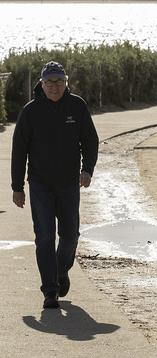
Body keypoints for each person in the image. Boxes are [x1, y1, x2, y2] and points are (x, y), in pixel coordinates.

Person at [11, 61, 99, 309]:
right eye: (49, 82)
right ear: (42, 83)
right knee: (45, 237)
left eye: (59, 82)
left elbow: (90, 141)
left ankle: (61, 271)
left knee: (70, 236)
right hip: (39, 185)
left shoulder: (77, 106)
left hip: (69, 184)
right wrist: (17, 186)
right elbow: (19, 151)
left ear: (66, 83)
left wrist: (87, 170)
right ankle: (50, 291)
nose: (54, 87)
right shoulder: (30, 112)